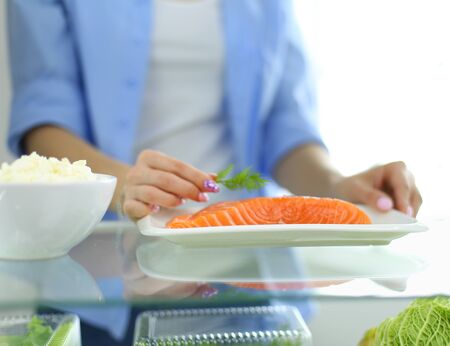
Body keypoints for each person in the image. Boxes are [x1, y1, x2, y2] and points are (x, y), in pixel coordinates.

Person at [6, 0, 421, 344]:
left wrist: (338, 186)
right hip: (99, 275)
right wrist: (125, 184)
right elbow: (44, 117)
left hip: (243, 274)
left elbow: (284, 126)